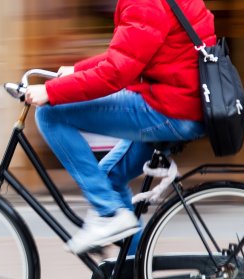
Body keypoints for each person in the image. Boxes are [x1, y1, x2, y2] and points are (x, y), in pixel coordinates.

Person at [25, 0, 216, 255]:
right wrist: (78, 70)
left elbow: (116, 73)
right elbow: (135, 52)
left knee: (50, 114)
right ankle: (136, 273)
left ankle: (109, 213)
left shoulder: (144, 3)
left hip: (169, 109)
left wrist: (50, 91)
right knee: (108, 181)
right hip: (182, 104)